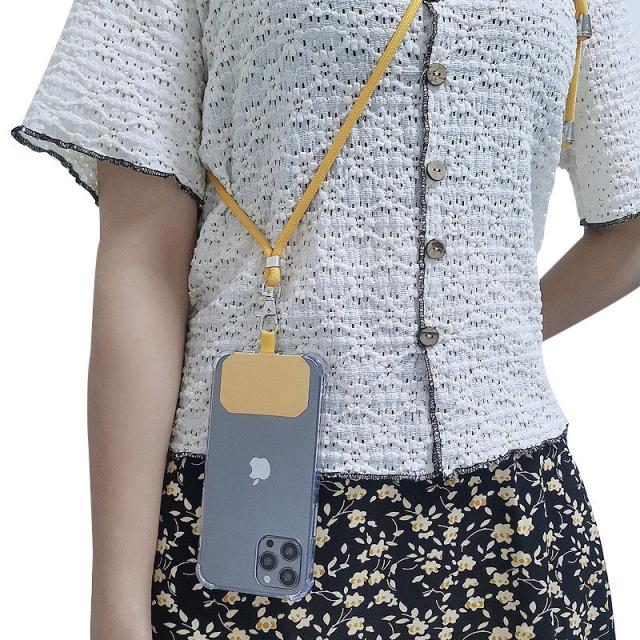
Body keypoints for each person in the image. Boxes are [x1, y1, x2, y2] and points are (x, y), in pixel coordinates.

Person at [12, 0, 640, 638]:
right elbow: (143, 256)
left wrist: (495, 334)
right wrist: (116, 610)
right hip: (249, 507)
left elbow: (631, 223)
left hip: (516, 524)